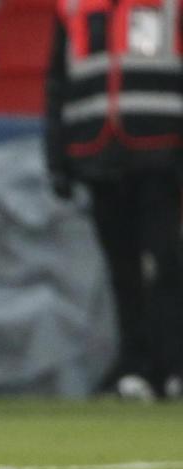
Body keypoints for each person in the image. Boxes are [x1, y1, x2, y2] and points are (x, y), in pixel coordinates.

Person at [46, 0, 183, 400]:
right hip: (98, 154)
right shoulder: (73, 7)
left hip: (163, 153)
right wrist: (57, 159)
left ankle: (172, 362)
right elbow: (58, 83)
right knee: (122, 270)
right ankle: (135, 365)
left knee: (167, 260)